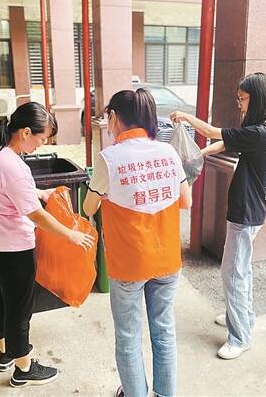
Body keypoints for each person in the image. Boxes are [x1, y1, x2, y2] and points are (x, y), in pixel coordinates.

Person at [0, 101, 95, 387]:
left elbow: (6, 189)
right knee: (19, 308)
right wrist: (70, 234)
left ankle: (5, 354)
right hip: (12, 250)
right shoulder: (13, 165)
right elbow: (35, 215)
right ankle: (23, 369)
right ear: (26, 132)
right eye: (42, 138)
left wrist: (39, 192)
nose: (43, 144)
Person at [83, 89, 192, 397]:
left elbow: (88, 208)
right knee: (164, 332)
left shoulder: (109, 158)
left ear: (114, 117)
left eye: (108, 116)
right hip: (167, 259)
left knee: (129, 338)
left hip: (129, 264)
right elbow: (186, 201)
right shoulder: (168, 152)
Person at [170, 72, 266, 360]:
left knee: (232, 273)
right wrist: (200, 154)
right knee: (242, 270)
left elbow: (214, 132)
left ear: (257, 98)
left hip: (245, 212)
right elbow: (225, 142)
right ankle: (243, 316)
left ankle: (240, 336)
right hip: (252, 210)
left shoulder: (259, 133)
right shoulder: (265, 129)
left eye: (243, 99)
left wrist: (186, 117)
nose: (239, 104)